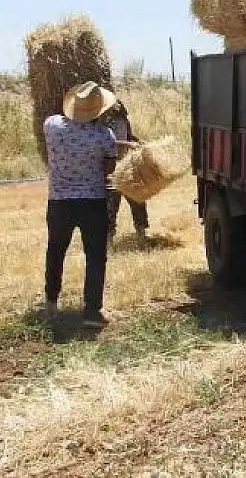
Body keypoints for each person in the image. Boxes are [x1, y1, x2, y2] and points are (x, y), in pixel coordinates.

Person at [42, 81, 119, 328]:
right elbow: (109, 169)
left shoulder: (52, 126)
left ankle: (51, 303)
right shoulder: (104, 136)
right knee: (95, 256)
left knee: (56, 251)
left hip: (59, 201)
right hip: (92, 202)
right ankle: (92, 312)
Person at [100, 101, 149, 243]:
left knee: (138, 198)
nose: (117, 106)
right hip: (110, 166)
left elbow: (129, 136)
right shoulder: (102, 122)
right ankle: (108, 238)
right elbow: (105, 142)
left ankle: (141, 233)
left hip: (125, 164)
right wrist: (128, 144)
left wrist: (139, 141)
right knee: (111, 204)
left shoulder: (123, 120)